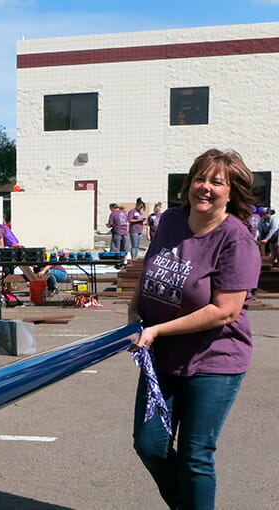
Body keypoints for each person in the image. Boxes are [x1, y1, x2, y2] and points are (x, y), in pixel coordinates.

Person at [127, 149, 261, 510]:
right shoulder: (171, 220)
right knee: (149, 443)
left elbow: (224, 311)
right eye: (200, 178)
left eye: (217, 182)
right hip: (162, 356)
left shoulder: (237, 240)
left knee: (195, 454)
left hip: (214, 361)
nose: (205, 187)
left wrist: (157, 330)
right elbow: (151, 265)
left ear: (231, 193)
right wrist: (134, 310)